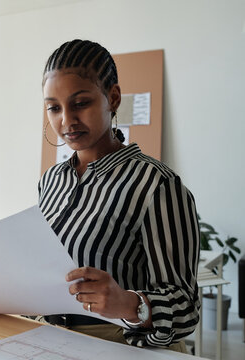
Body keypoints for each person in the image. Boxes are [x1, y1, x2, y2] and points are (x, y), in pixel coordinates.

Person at [38, 39, 200, 352]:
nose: (66, 121)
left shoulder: (157, 185)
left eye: (80, 103)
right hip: (49, 339)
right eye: (54, 108)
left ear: (112, 98)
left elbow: (187, 307)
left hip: (120, 345)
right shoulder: (51, 182)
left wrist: (128, 304)